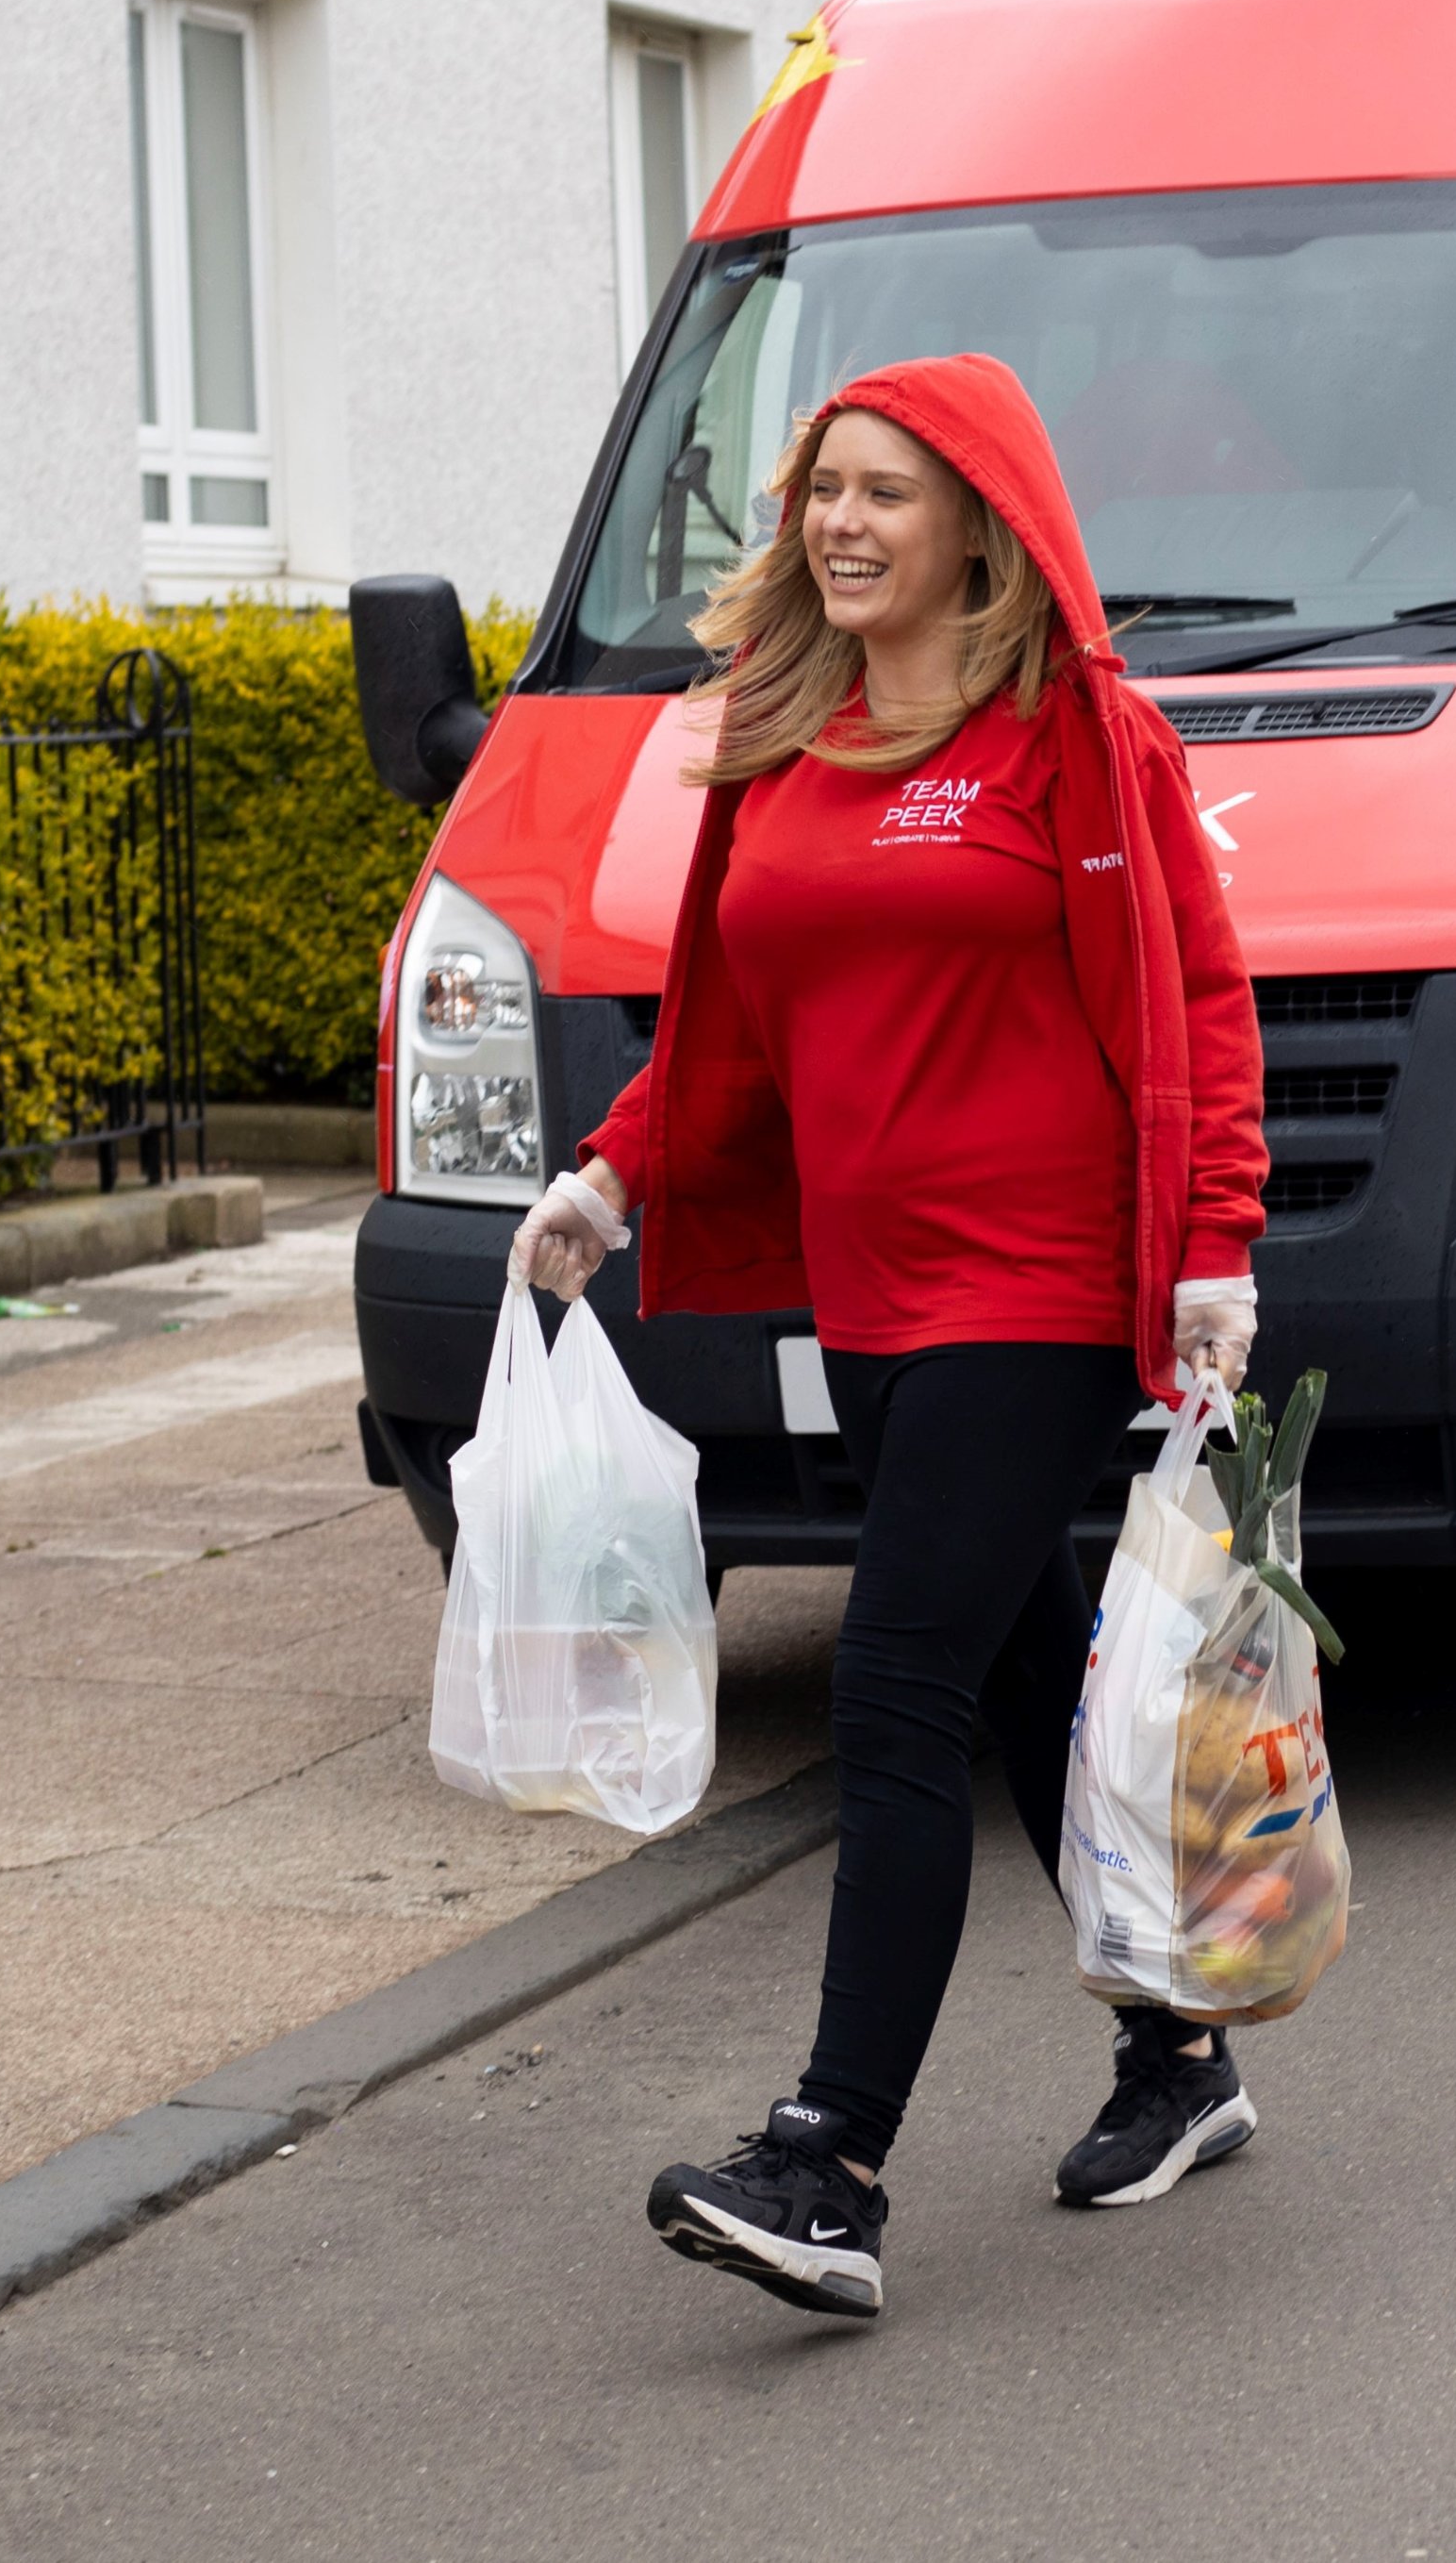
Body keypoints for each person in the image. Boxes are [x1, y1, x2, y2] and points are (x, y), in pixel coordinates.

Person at [506, 352, 1271, 2321]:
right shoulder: (786, 743)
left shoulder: (1076, 746)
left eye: (882, 495)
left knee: (894, 1679)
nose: (837, 525)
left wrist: (1214, 1249)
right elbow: (734, 1033)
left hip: (1035, 1287)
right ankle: (1178, 2060)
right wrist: (610, 1177)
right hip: (870, 1294)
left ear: (976, 534)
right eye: (817, 492)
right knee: (1019, 1685)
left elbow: (1196, 993)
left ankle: (830, 2161)